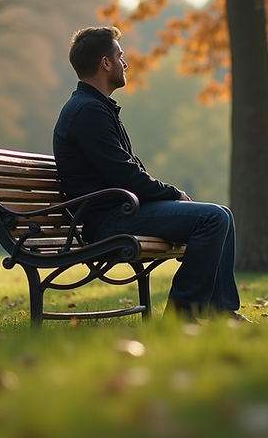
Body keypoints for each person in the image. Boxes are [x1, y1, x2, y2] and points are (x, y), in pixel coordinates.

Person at [53, 26, 247, 323]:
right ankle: (183, 316)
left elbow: (125, 171)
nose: (125, 62)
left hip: (121, 210)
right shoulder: (87, 111)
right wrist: (173, 194)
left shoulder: (95, 108)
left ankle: (221, 311)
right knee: (213, 218)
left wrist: (168, 195)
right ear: (105, 63)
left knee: (222, 214)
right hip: (108, 220)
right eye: (120, 55)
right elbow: (125, 175)